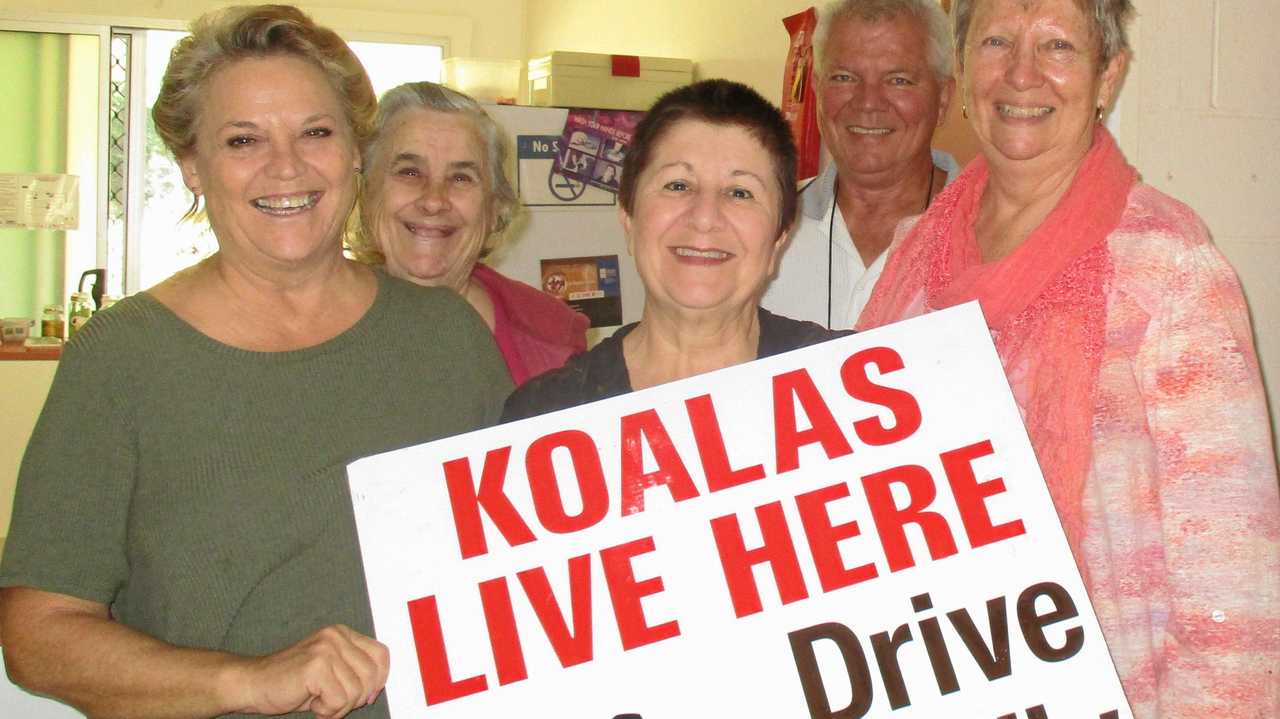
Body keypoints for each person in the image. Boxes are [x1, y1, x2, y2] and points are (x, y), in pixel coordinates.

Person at [0, 7, 511, 719]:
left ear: (354, 151)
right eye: (244, 140)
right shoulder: (122, 360)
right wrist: (245, 680)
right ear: (191, 167)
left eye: (316, 133)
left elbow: (523, 561)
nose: (287, 167)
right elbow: (36, 635)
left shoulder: (446, 339)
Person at [857, 1, 1280, 716]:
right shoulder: (912, 257)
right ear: (961, 72)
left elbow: (1232, 583)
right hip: (927, 677)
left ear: (1108, 76)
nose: (1022, 74)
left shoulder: (1167, 266)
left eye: (1057, 45)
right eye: (995, 42)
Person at [503, 80, 848, 422]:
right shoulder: (542, 418)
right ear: (628, 215)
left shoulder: (847, 385)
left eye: (740, 192)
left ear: (779, 237)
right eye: (678, 185)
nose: (704, 218)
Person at [350, 82, 588, 386]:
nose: (434, 200)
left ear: (494, 209)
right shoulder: (309, 330)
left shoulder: (553, 339)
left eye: (461, 177)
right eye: (409, 172)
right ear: (368, 192)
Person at [763, 0, 960, 329]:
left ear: (943, 99)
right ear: (817, 88)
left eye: (898, 80)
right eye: (844, 77)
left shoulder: (998, 237)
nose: (868, 102)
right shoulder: (759, 231)